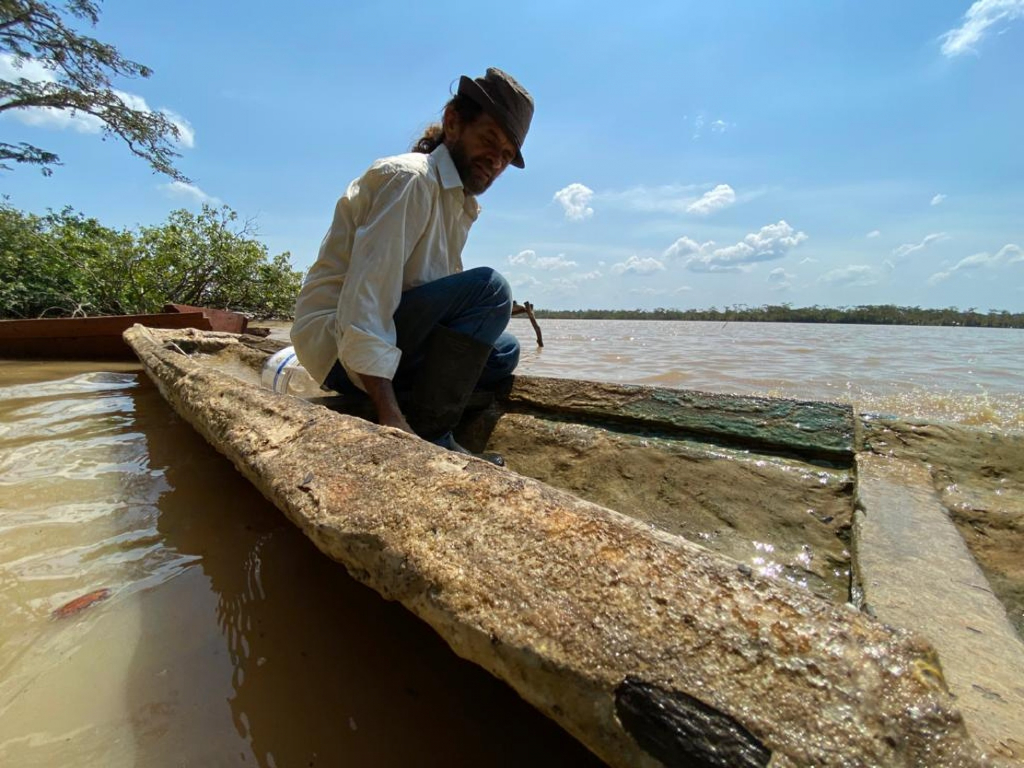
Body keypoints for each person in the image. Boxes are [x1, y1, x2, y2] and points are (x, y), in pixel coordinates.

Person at [290, 68, 534, 465]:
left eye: (506, 156)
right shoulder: (411, 179)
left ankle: (410, 397)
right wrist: (390, 417)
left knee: (505, 351)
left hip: (394, 333)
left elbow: (428, 291)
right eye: (489, 141)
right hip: (335, 345)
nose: (495, 161)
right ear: (454, 124)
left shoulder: (460, 203)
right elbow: (365, 301)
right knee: (492, 290)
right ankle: (432, 433)